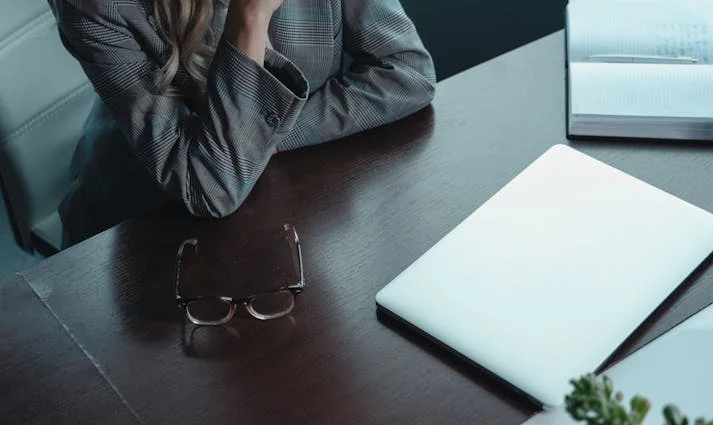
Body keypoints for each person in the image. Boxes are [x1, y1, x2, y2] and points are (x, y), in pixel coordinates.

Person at [50, 0, 436, 246]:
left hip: (288, 209)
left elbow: (407, 72)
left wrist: (262, 139)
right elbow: (209, 186)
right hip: (150, 225)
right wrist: (252, 15)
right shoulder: (96, 6)